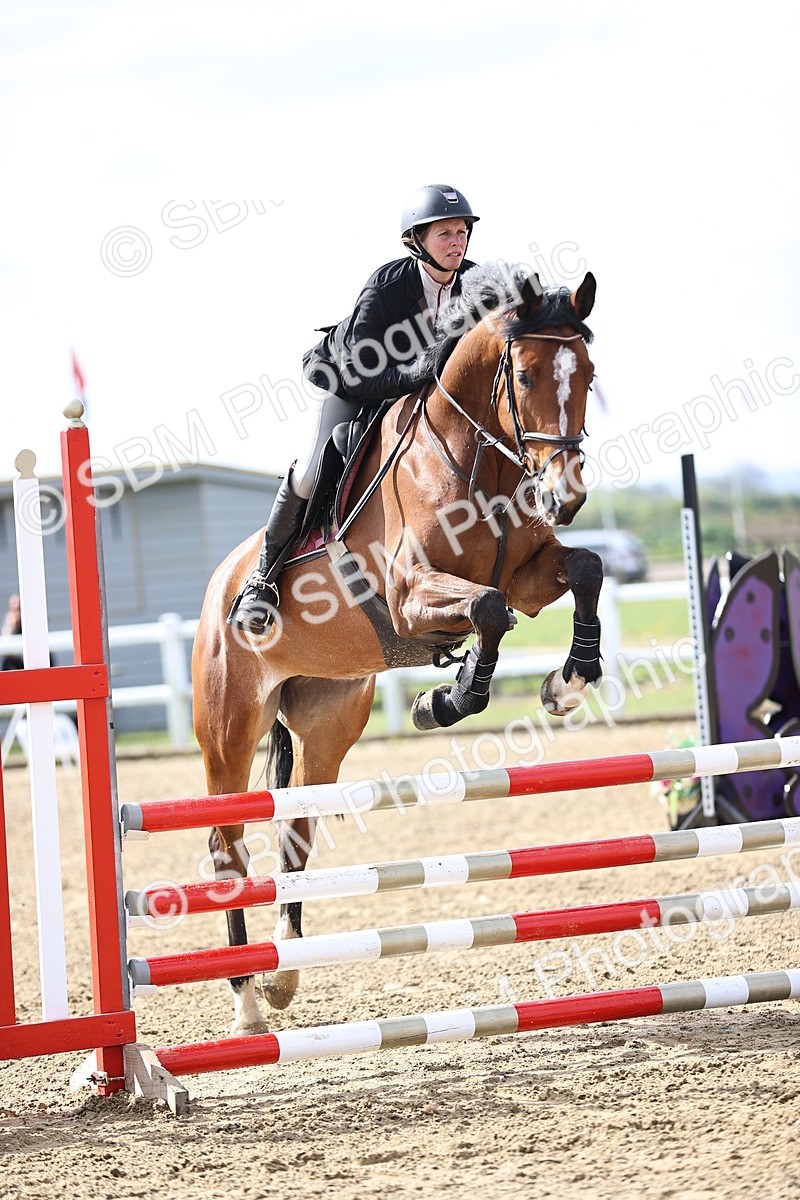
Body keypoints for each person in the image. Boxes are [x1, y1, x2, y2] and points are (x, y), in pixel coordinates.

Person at [228, 183, 480, 634]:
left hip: (420, 394)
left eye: (461, 232)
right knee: (311, 468)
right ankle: (261, 581)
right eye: (444, 233)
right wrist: (417, 375)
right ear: (417, 241)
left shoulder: (475, 284)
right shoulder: (386, 288)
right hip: (354, 381)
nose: (456, 242)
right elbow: (360, 372)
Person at [1, 594, 23, 671]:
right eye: (14, 610)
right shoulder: (9, 625)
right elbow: (5, 645)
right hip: (13, 663)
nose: (16, 613)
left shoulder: (28, 626)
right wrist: (11, 626)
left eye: (18, 609)